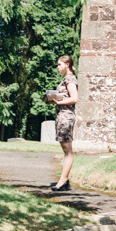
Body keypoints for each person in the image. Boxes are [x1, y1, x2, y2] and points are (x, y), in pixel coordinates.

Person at [50, 54, 78, 192]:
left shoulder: (70, 79)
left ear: (67, 65)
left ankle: (63, 181)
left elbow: (74, 98)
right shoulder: (66, 79)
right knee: (66, 150)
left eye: (59, 64)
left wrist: (59, 102)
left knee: (68, 151)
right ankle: (64, 180)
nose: (57, 67)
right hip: (62, 116)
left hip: (66, 117)